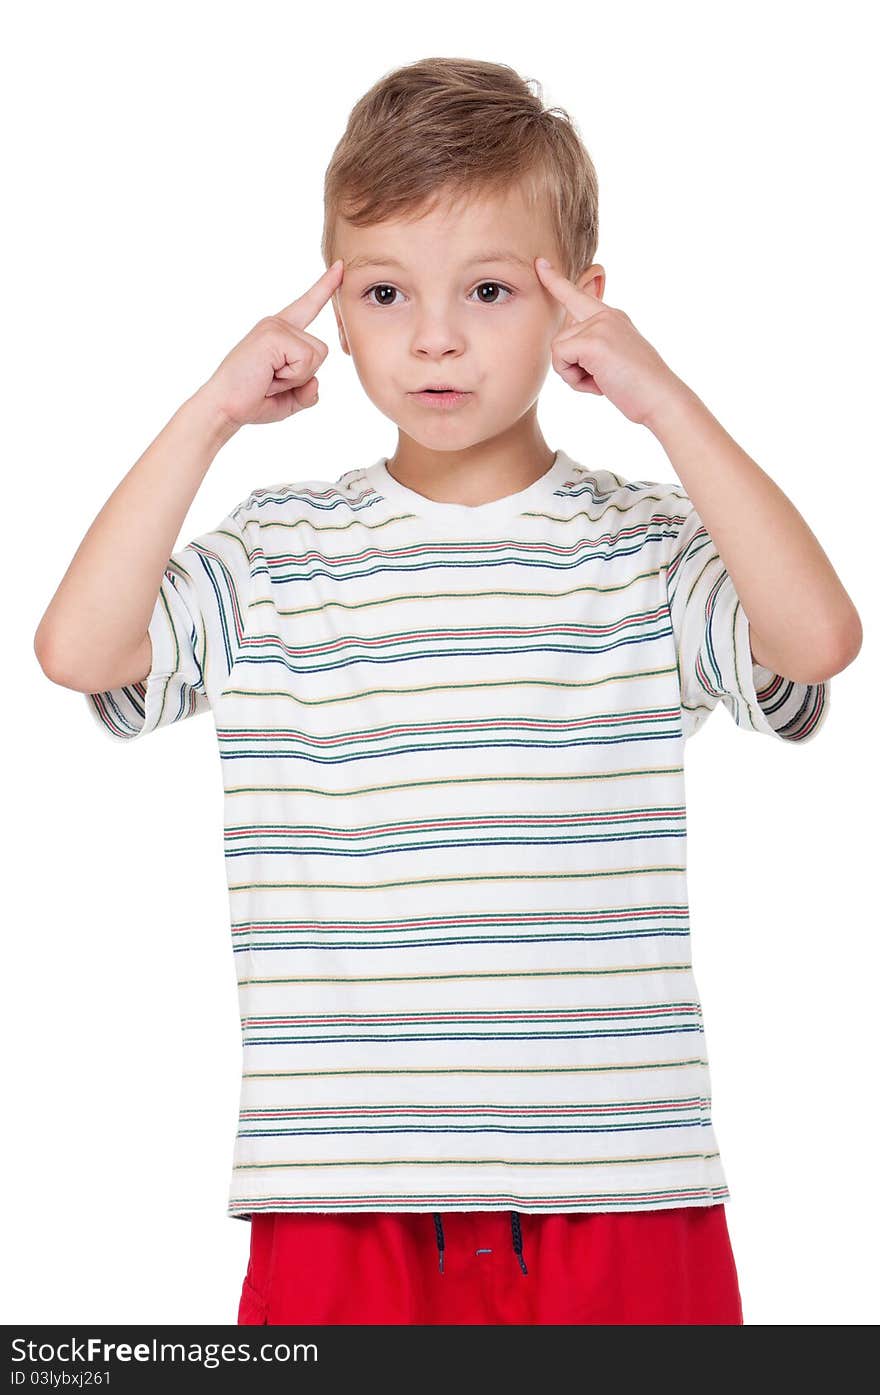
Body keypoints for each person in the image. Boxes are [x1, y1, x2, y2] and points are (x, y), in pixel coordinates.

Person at [34, 57, 861, 1326]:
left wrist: (664, 402)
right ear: (337, 315)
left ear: (578, 304)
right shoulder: (276, 549)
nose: (431, 336)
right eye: (382, 292)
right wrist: (208, 412)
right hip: (343, 1190)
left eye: (487, 289)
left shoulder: (644, 545)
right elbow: (80, 654)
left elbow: (812, 645)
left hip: (619, 1181)